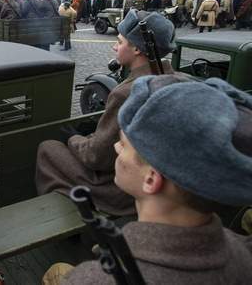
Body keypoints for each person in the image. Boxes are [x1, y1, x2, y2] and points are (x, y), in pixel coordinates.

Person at [53, 75, 252, 284]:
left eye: (124, 145)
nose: (116, 148)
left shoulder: (91, 279)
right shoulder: (243, 252)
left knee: (56, 272)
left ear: (151, 179)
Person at [35, 10, 176, 216]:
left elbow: (96, 157)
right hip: (160, 179)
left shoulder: (127, 93)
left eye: (119, 42)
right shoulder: (177, 80)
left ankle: (66, 214)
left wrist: (73, 138)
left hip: (123, 188)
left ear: (137, 48)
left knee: (48, 149)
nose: (114, 46)